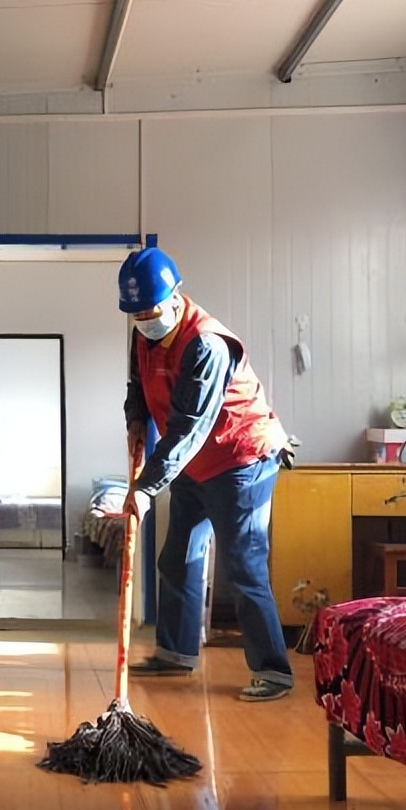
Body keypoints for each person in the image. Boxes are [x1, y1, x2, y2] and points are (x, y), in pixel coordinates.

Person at [117, 247, 295, 702]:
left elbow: (188, 427)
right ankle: (176, 653)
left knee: (243, 566)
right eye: (137, 314)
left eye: (151, 312)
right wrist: (135, 421)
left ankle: (273, 671)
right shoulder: (142, 334)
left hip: (240, 458)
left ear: (176, 297)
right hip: (193, 462)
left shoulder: (206, 344)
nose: (144, 321)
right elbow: (137, 386)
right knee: (177, 557)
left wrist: (145, 488)